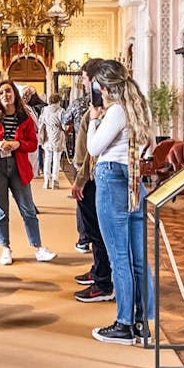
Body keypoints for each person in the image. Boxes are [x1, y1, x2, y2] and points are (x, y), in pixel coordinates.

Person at [86, 59, 154, 344]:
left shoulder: (115, 111)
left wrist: (92, 120)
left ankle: (123, 324)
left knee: (119, 257)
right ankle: (141, 322)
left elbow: (93, 148)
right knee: (138, 258)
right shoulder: (139, 108)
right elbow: (148, 146)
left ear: (104, 87)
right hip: (133, 177)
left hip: (112, 177)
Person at [0, 80, 56, 265]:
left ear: (15, 94)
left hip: (18, 166)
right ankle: (5, 248)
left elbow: (33, 143)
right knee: (1, 211)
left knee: (28, 209)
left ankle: (38, 247)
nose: (6, 95)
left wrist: (18, 144)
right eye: (2, 92)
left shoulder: (24, 117)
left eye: (9, 91)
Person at [66, 59, 114, 304]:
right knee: (92, 229)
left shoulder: (102, 111)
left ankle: (103, 282)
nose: (82, 82)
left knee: (96, 231)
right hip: (88, 174)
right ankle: (98, 271)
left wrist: (80, 179)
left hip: (92, 176)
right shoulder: (93, 108)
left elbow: (91, 151)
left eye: (84, 77)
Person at [36, 93, 66, 190]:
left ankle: (46, 181)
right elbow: (64, 126)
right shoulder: (61, 110)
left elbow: (40, 123)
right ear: (58, 101)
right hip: (57, 135)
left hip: (48, 136)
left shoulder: (44, 110)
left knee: (47, 159)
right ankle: (55, 181)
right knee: (56, 159)